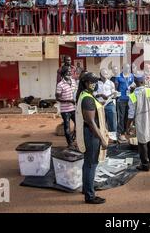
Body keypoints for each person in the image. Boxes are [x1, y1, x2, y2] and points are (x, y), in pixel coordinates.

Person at [76, 73, 108, 204]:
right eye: (92, 82)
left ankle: (86, 188)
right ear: (85, 83)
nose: (95, 84)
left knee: (87, 163)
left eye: (96, 82)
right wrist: (102, 139)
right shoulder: (87, 99)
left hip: (89, 134)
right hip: (91, 135)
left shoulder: (86, 95)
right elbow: (91, 122)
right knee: (91, 164)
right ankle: (90, 196)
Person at [56, 66, 77, 149]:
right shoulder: (60, 85)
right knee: (67, 127)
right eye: (68, 71)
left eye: (70, 71)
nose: (70, 72)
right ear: (64, 73)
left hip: (74, 108)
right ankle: (70, 143)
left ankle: (73, 137)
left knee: (78, 124)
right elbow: (57, 98)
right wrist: (69, 101)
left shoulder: (73, 81)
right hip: (65, 110)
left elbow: (75, 92)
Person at [115, 64, 134, 143]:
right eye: (126, 68)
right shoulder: (118, 76)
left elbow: (134, 84)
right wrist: (117, 97)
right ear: (122, 68)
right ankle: (121, 133)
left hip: (130, 99)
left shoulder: (132, 76)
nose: (127, 69)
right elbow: (116, 88)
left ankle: (127, 130)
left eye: (128, 68)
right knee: (121, 117)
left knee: (128, 116)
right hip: (121, 99)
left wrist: (133, 87)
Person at [95, 68, 117, 134]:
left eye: (106, 76)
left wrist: (114, 95)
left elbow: (113, 93)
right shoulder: (96, 83)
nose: (105, 78)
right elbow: (94, 93)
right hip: (99, 104)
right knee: (100, 121)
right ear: (100, 75)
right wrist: (101, 95)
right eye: (103, 77)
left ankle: (113, 137)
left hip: (109, 104)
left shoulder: (111, 83)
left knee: (112, 120)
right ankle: (102, 136)